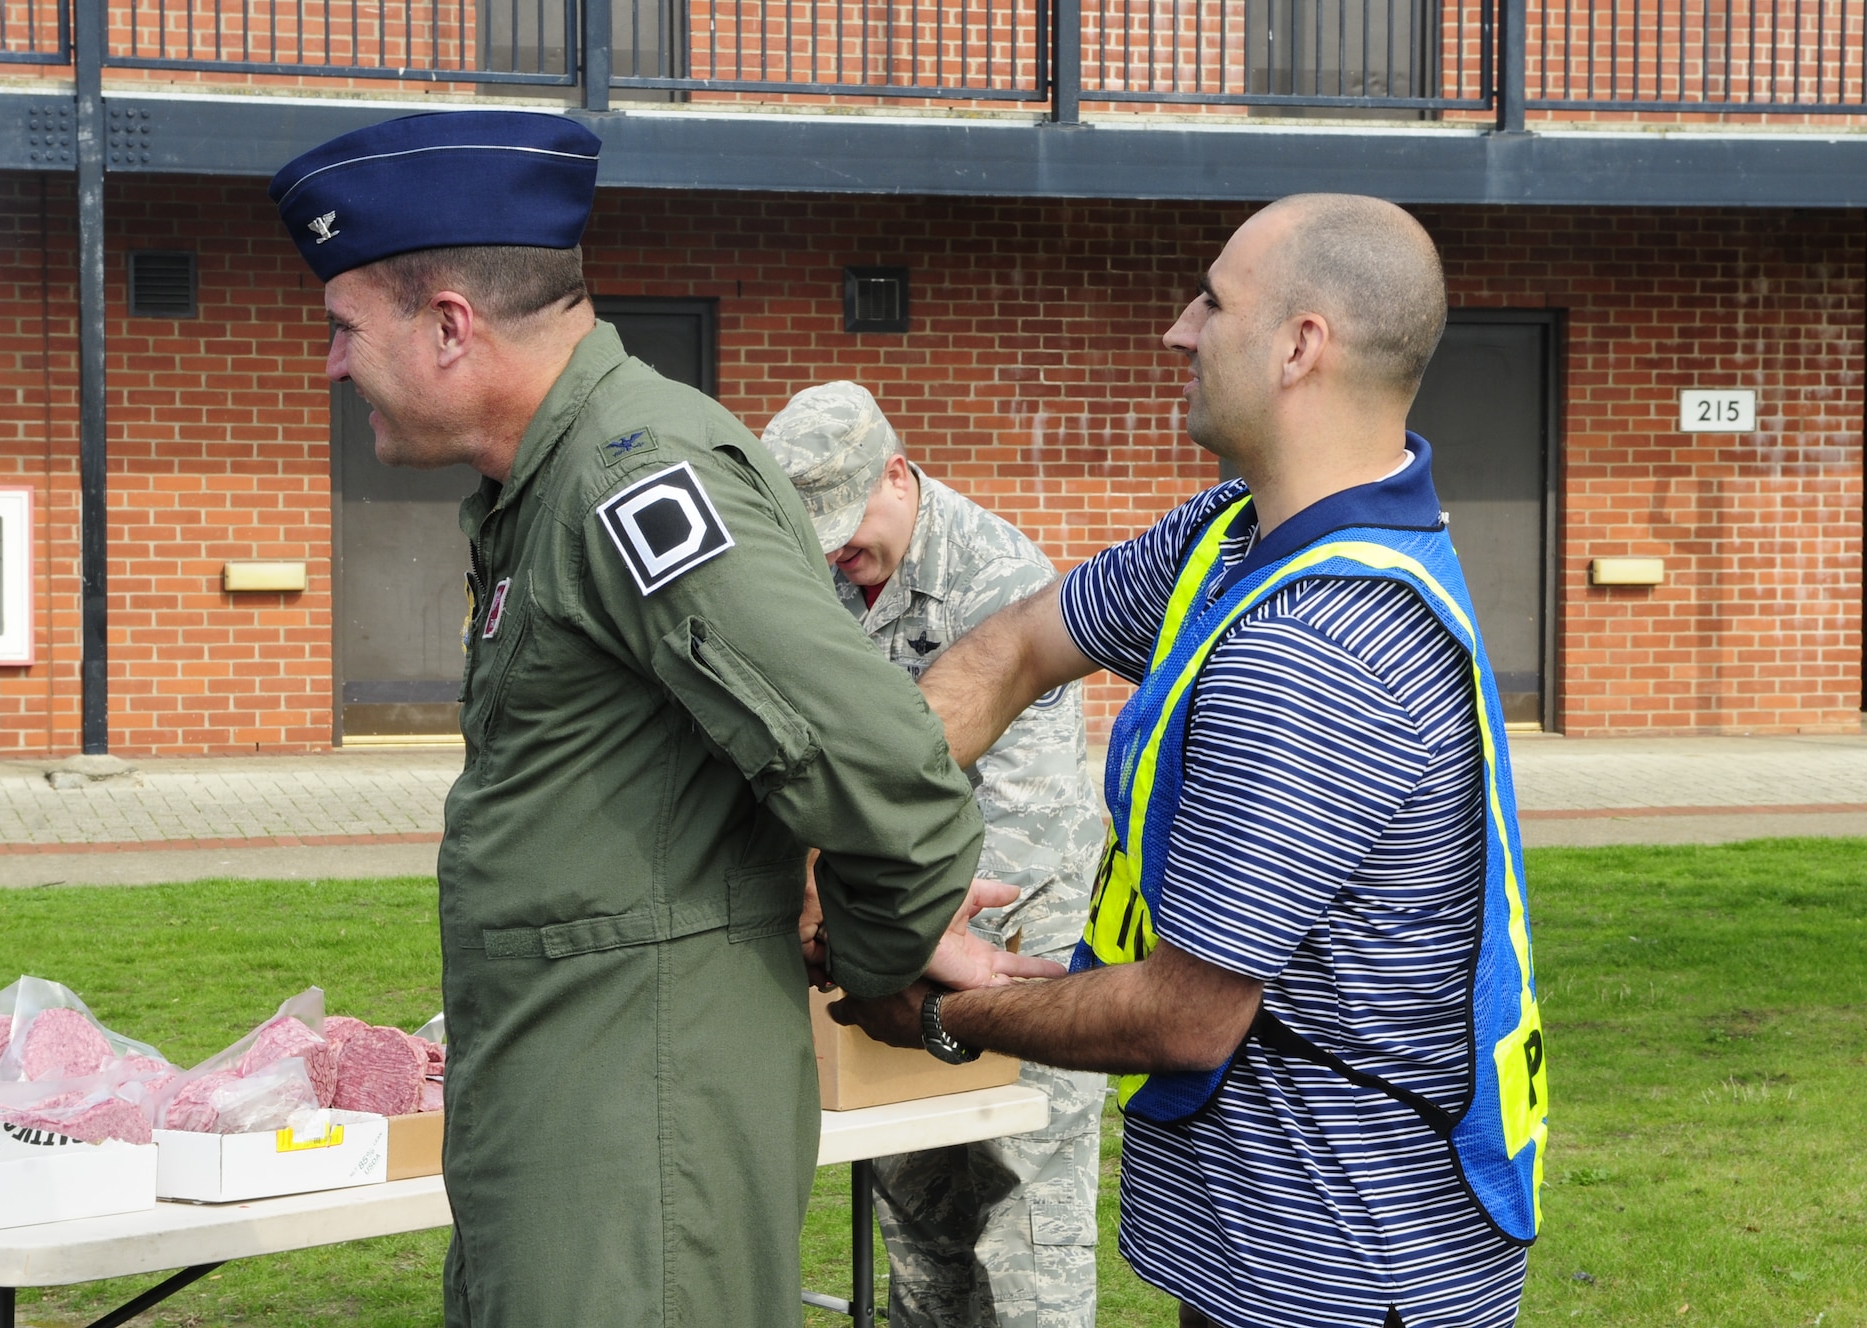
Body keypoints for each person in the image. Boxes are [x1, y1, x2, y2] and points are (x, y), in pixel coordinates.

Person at [269, 110, 1054, 1328]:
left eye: (340, 327)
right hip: (573, 1115)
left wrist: (873, 948)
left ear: (446, 326)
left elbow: (878, 768)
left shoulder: (631, 476)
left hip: (634, 1144)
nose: (327, 364)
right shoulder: (546, 483)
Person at [833, 194, 1548, 1328]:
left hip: (1343, 1269)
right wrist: (851, 840)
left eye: (1211, 300)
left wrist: (932, 1010)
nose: (1177, 327)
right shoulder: (1232, 534)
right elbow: (1019, 645)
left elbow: (1183, 1014)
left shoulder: (1320, 645)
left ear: (1297, 345)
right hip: (1279, 1246)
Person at [760, 382, 1107, 1328]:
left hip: (1011, 950)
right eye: (816, 531)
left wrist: (855, 918)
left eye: (847, 523)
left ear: (898, 475)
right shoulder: (809, 577)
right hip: (885, 953)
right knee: (920, 1240)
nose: (836, 551)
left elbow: (1017, 839)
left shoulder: (1001, 579)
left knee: (1023, 1239)